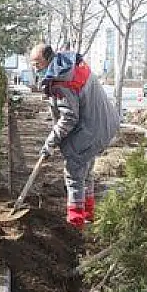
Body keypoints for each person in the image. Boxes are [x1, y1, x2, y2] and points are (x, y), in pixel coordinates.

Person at [29, 44, 120, 228]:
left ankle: (76, 223)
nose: (35, 68)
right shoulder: (69, 65)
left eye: (37, 64)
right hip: (104, 123)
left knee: (73, 174)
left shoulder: (62, 81)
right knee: (85, 172)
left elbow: (69, 117)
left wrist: (50, 142)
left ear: (48, 59)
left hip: (92, 129)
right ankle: (88, 215)